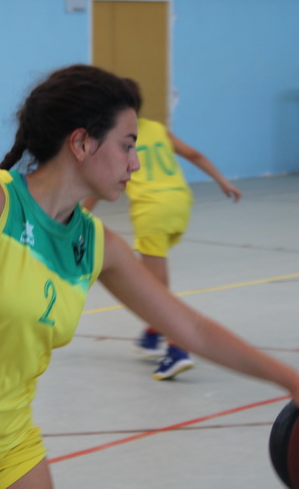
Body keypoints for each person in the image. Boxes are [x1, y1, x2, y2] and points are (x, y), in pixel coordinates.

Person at [0, 65, 299, 489]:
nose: (136, 162)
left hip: (10, 436)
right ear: (81, 142)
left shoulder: (96, 244)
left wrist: (293, 380)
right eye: (128, 146)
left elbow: (190, 328)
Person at [83, 78, 242, 381]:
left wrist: (78, 215)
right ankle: (154, 332)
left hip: (152, 210)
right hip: (179, 204)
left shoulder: (116, 137)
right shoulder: (156, 128)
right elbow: (194, 154)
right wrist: (222, 181)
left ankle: (178, 348)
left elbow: (100, 183)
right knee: (154, 276)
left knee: (154, 290)